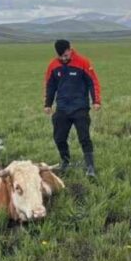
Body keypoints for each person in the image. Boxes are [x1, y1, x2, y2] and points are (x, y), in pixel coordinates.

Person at [44, 39, 101, 177]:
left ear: (70, 49)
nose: (64, 58)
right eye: (61, 56)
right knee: (59, 137)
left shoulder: (83, 62)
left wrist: (96, 101)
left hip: (80, 107)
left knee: (84, 138)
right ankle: (65, 161)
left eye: (65, 55)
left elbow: (93, 82)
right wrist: (48, 104)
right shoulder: (53, 65)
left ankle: (90, 167)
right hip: (62, 108)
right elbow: (50, 86)